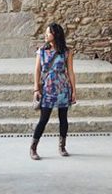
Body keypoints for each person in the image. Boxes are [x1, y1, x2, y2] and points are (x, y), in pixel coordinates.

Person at [30, 22, 77, 160]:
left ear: (56, 35)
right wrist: (36, 89)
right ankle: (33, 148)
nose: (46, 35)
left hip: (63, 88)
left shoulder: (66, 52)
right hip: (47, 88)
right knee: (43, 119)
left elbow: (70, 72)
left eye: (48, 33)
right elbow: (37, 70)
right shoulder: (42, 51)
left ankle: (62, 146)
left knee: (63, 118)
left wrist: (74, 90)